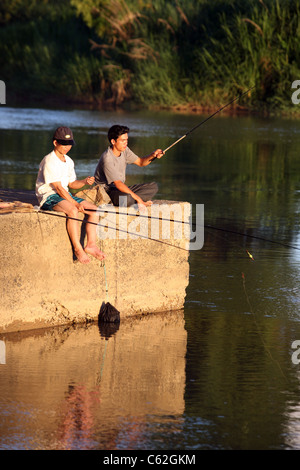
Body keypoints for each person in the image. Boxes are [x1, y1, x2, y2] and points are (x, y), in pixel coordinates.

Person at [36, 126, 105, 264]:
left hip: (64, 194)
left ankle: (91, 245)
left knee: (94, 210)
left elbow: (72, 184)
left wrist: (85, 182)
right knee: (73, 210)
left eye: (69, 144)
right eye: (64, 144)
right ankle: (77, 248)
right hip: (49, 196)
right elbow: (58, 188)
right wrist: (75, 203)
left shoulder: (69, 161)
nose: (67, 147)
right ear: (55, 143)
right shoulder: (50, 160)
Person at [94, 125, 164, 208]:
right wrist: (138, 199)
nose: (126, 143)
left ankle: (132, 200)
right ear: (113, 141)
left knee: (153, 187)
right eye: (123, 140)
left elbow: (141, 162)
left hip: (120, 189)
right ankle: (134, 201)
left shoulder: (125, 150)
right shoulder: (107, 158)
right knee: (126, 198)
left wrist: (153, 155)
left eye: (126, 140)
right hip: (107, 192)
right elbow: (118, 184)